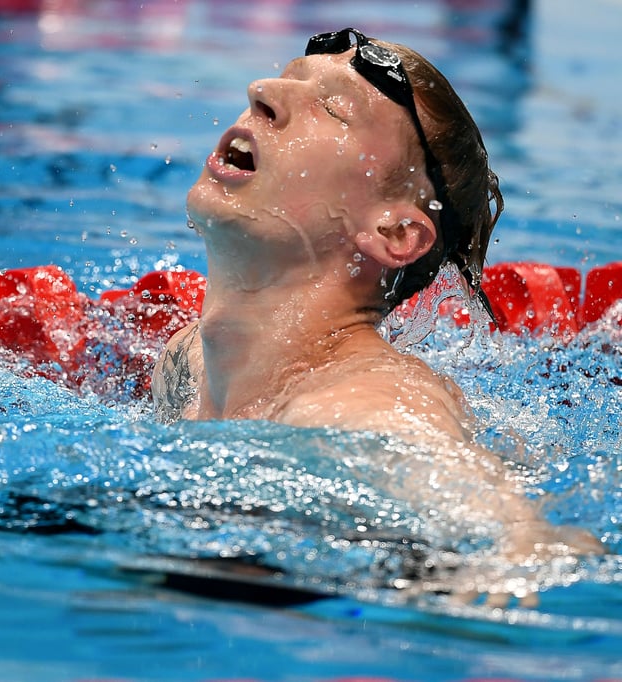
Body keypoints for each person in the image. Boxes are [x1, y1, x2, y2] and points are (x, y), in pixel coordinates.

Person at [151, 27, 603, 603]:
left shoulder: (361, 405)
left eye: (334, 109)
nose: (261, 89)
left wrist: (515, 547)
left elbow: (501, 520)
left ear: (397, 232)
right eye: (286, 78)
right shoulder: (186, 361)